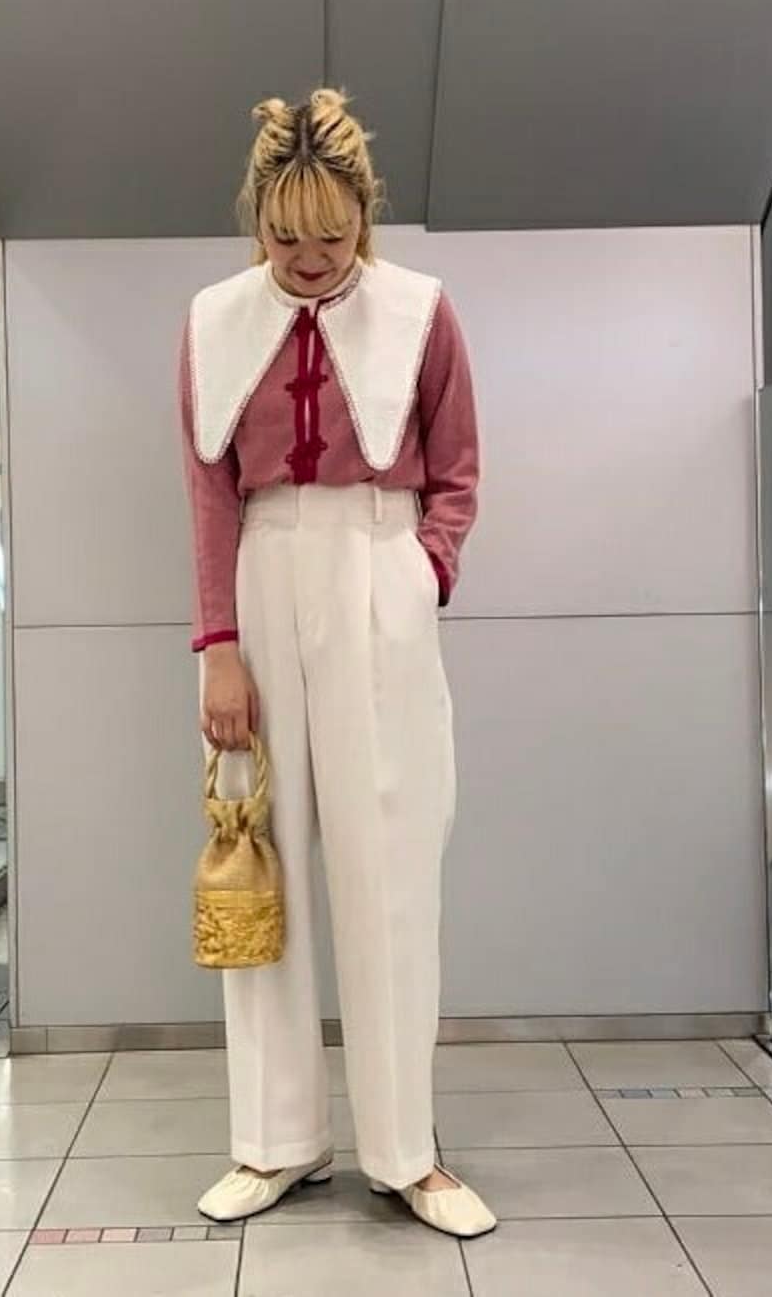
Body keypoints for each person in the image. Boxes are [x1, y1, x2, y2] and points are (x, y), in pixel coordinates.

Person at [178, 86, 495, 1238]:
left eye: (331, 233)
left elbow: (457, 467)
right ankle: (275, 1140)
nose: (308, 258)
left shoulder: (420, 311)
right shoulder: (214, 319)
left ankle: (406, 1150)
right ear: (255, 219)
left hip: (378, 567)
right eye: (283, 235)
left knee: (390, 860)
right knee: (259, 861)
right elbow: (209, 492)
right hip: (260, 573)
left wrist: (423, 572)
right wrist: (219, 645)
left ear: (365, 211)